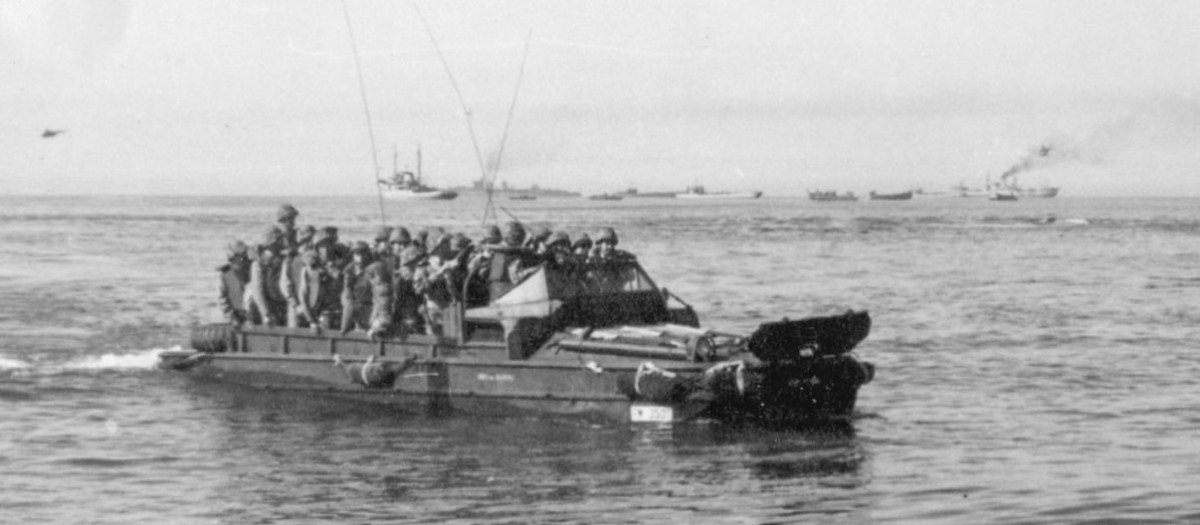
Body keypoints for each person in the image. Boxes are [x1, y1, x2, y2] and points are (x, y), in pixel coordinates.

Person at [244, 231, 286, 326]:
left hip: (278, 304)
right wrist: (266, 313)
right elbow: (258, 291)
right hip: (265, 307)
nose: (281, 243)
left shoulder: (280, 259)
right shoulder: (258, 264)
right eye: (278, 241)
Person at [340, 241, 374, 334]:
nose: (360, 258)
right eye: (357, 254)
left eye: (363, 254)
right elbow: (347, 295)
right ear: (353, 256)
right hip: (353, 308)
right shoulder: (348, 271)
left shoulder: (373, 269)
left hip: (369, 308)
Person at [393, 246, 426, 334]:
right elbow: (396, 304)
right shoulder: (399, 283)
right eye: (412, 265)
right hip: (405, 320)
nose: (417, 269)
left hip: (418, 318)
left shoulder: (416, 280)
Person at [217, 240, 251, 325]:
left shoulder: (252, 270)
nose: (243, 258)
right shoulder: (225, 274)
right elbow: (222, 299)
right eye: (240, 256)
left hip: (253, 315)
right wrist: (231, 317)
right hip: (236, 316)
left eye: (244, 255)